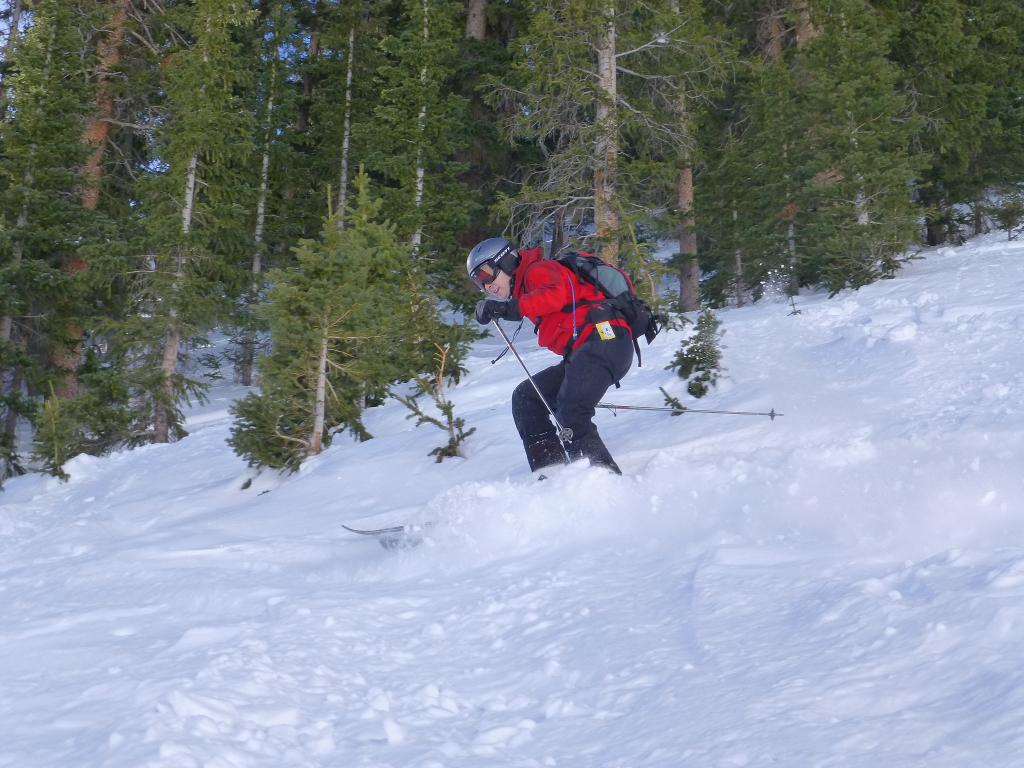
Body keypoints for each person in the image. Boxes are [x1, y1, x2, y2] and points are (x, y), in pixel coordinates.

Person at [466, 237, 634, 475]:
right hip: (584, 352)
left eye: (486, 275)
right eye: (479, 282)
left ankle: (604, 483)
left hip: (605, 339)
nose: (487, 286)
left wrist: (508, 309)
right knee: (527, 399)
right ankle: (551, 477)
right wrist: (510, 307)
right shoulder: (524, 287)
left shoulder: (537, 271)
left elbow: (557, 293)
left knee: (571, 412)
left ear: (505, 261)